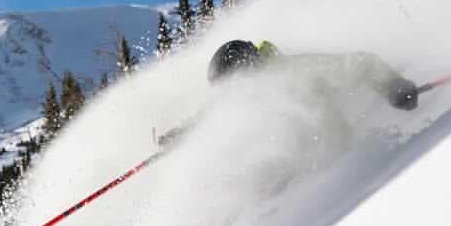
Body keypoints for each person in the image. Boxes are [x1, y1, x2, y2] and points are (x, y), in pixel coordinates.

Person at [158, 40, 420, 148]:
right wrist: (181, 136)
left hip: (336, 157)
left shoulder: (295, 70)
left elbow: (362, 62)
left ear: (250, 70)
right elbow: (210, 118)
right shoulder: (239, 102)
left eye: (235, 85)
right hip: (296, 177)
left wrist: (393, 85)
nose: (233, 95)